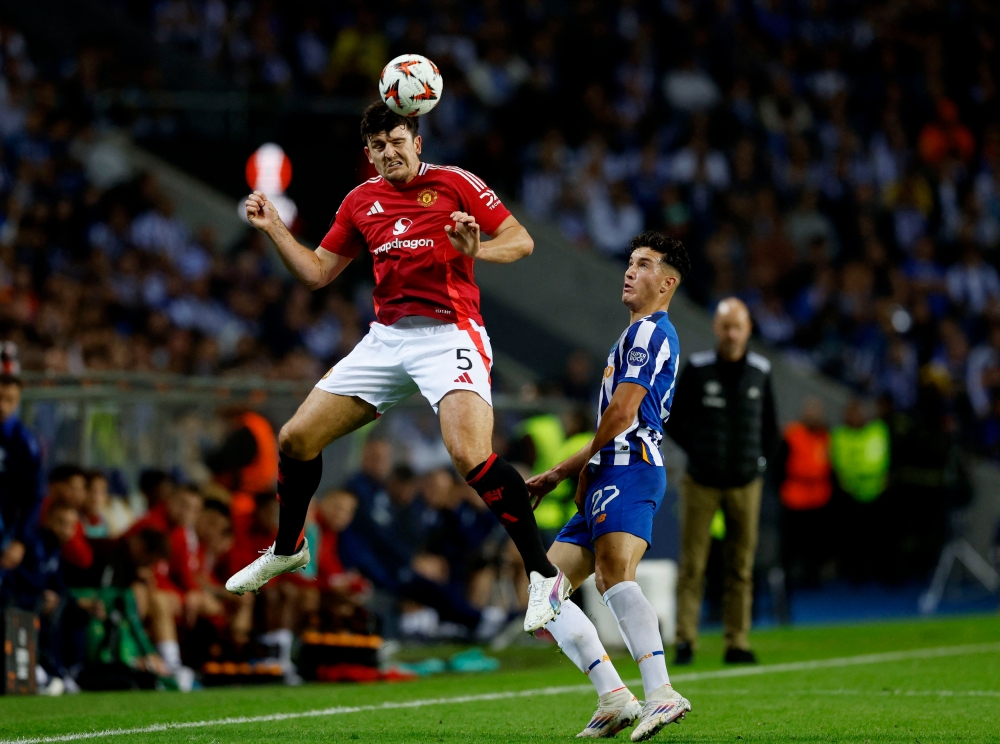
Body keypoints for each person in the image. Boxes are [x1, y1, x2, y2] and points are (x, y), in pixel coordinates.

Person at [227, 101, 569, 632]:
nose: (390, 152)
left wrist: (477, 249)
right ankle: (289, 546)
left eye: (398, 141)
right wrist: (275, 228)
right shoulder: (361, 200)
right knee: (295, 439)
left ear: (417, 142)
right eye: (379, 147)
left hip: (451, 332)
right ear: (369, 154)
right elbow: (317, 273)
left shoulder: (455, 183)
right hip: (387, 340)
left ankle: (543, 573)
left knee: (468, 454)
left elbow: (521, 241)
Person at [527, 232, 692, 741]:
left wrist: (565, 468)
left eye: (643, 265)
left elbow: (621, 415)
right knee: (545, 590)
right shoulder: (630, 336)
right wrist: (585, 470)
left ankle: (662, 694)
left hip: (630, 465)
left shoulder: (650, 335)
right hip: (604, 470)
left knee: (614, 573)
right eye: (629, 262)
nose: (629, 271)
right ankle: (615, 697)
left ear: (666, 283)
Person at [666, 297, 778, 666]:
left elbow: (771, 430)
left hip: (746, 482)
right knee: (693, 563)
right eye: (726, 326)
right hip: (701, 481)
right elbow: (676, 421)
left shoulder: (761, 371)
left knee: (741, 565)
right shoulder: (698, 370)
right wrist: (702, 452)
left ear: (748, 330)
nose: (731, 334)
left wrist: (758, 463)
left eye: (738, 327)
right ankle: (686, 640)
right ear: (716, 329)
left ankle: (737, 642)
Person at [776, 397, 833, 590]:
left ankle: (813, 579)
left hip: (818, 497)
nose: (813, 416)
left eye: (816, 413)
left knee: (815, 544)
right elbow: (779, 464)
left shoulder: (824, 435)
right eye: (810, 412)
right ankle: (787, 582)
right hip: (795, 496)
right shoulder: (793, 434)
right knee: (790, 545)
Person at [0, 373, 43, 582]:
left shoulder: (25, 442)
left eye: (9, 400)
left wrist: (21, 540)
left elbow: (34, 495)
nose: (2, 406)